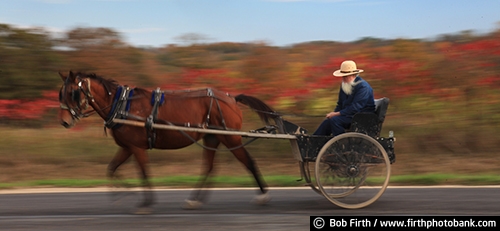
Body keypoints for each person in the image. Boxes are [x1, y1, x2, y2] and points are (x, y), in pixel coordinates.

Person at [313, 60, 375, 136]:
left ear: (353, 75)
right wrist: (334, 114)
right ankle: (312, 141)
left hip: (361, 118)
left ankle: (342, 144)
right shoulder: (345, 86)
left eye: (345, 76)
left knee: (335, 121)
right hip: (350, 115)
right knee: (328, 122)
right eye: (343, 76)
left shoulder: (363, 87)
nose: (343, 79)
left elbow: (356, 107)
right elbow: (340, 104)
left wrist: (336, 114)